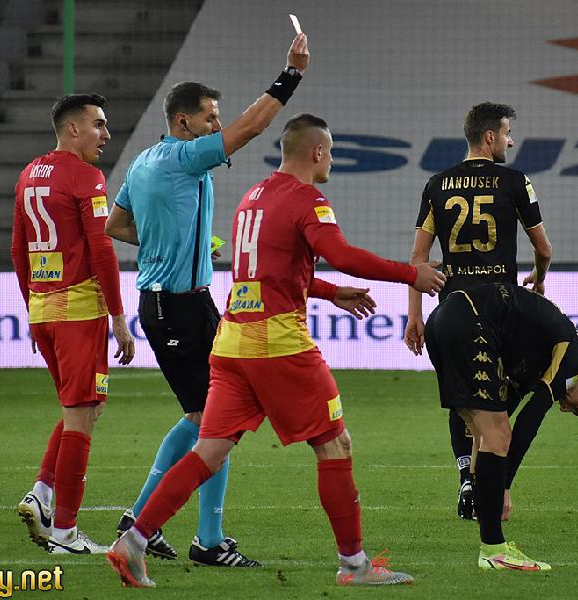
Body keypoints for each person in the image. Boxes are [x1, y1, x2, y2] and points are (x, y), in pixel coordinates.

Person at [105, 113, 446, 588]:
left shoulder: (254, 198)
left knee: (209, 450)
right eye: (330, 153)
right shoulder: (309, 200)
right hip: (279, 344)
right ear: (318, 152)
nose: (331, 161)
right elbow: (342, 255)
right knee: (335, 444)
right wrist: (412, 273)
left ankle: (134, 540)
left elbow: (274, 271)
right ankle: (354, 565)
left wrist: (330, 292)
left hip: (231, 343)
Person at [103, 32, 310, 567]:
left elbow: (116, 225)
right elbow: (252, 127)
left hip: (180, 303)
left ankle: (147, 522)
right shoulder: (183, 158)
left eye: (217, 117)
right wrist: (291, 74)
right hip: (175, 307)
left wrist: (175, 243)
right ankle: (202, 539)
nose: (217, 125)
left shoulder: (144, 160)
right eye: (209, 117)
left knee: (210, 417)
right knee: (215, 421)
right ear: (183, 122)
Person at [403, 102, 553, 520]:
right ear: (490, 137)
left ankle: (467, 480)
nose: (511, 141)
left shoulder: (437, 184)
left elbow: (417, 258)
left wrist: (414, 315)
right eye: (507, 133)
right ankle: (489, 486)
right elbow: (543, 248)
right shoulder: (515, 181)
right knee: (496, 395)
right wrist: (540, 278)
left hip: (452, 308)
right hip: (500, 310)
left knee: (463, 398)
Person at [11, 93, 136, 554]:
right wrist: (118, 316)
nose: (106, 134)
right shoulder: (86, 176)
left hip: (44, 310)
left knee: (82, 409)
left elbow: (18, 249)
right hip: (79, 310)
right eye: (98, 125)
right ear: (72, 128)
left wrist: (32, 307)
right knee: (82, 415)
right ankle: (65, 532)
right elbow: (101, 248)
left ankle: (42, 493)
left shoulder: (29, 173)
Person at [424, 282, 578, 571]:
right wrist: (503, 486)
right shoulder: (575, 360)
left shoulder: (534, 358)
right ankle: (494, 551)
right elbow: (529, 420)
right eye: (577, 408)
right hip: (469, 321)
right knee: (498, 433)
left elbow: (494, 423)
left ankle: (491, 545)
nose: (564, 408)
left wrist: (477, 482)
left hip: (442, 321)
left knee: (485, 431)